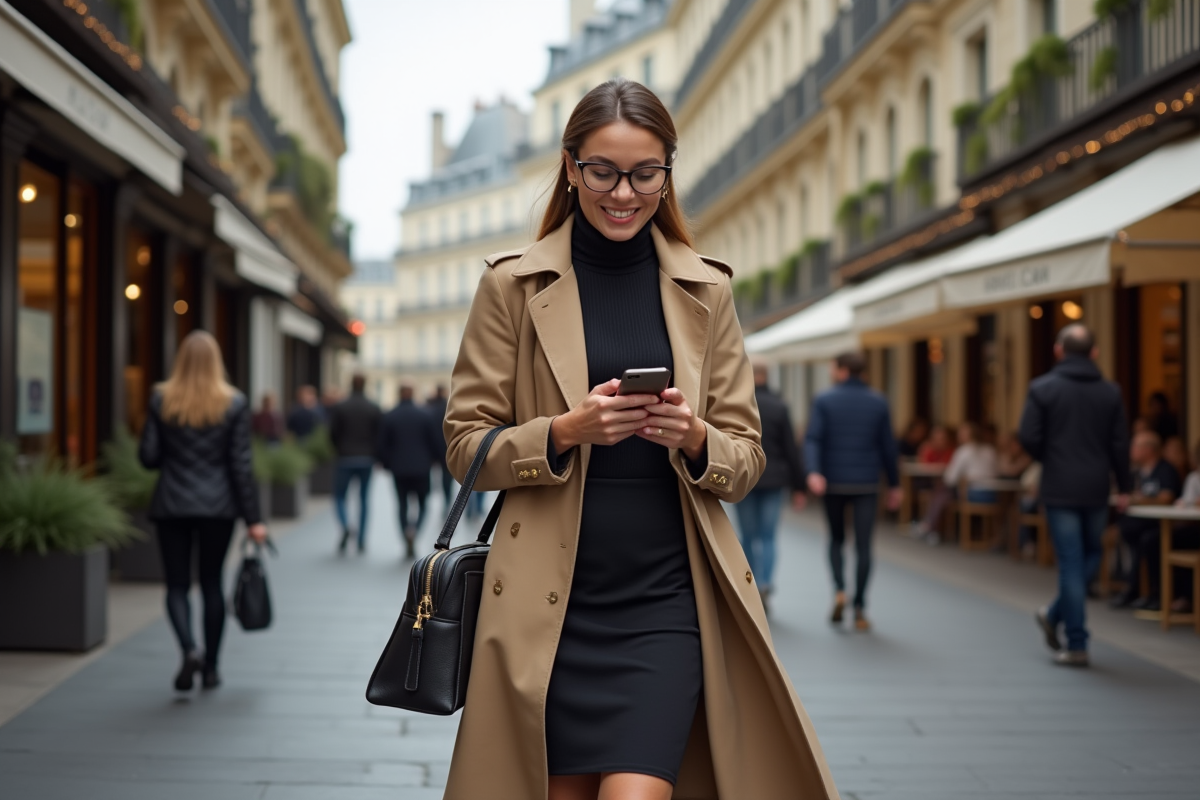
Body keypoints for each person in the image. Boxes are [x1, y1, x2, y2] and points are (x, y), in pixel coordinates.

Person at [440, 79, 838, 800]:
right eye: (603, 171)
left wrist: (695, 437)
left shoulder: (707, 289)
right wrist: (565, 432)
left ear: (667, 174)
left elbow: (747, 457)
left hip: (666, 600)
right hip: (546, 607)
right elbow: (467, 446)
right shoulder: (511, 287)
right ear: (570, 168)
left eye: (645, 173)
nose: (624, 193)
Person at [138, 331, 267, 691]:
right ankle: (211, 668)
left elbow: (148, 457)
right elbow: (240, 466)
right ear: (216, 362)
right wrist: (254, 519)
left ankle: (188, 649)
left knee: (177, 585)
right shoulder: (234, 403)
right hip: (218, 507)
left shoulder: (161, 399)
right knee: (211, 583)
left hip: (172, 504)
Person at [1019, 323, 1131, 667]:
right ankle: (1060, 622)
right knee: (1090, 554)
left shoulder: (1043, 388)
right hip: (1096, 486)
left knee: (1071, 561)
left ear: (1058, 350)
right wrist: (1125, 486)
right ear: (1095, 353)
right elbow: (1120, 445)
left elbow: (1028, 436)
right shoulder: (1110, 392)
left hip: (1059, 486)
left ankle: (1073, 637)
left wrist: (1051, 457)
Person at [804, 352, 902, 631]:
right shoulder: (878, 401)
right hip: (867, 483)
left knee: (836, 539)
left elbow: (813, 439)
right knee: (864, 545)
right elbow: (888, 446)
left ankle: (839, 590)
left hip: (833, 481)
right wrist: (894, 484)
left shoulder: (824, 400)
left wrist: (814, 471)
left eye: (833, 368)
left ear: (843, 370)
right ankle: (859, 607)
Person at [735, 361, 806, 614]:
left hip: (745, 478)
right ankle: (765, 583)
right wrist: (799, 486)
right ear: (767, 376)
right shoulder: (779, 406)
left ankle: (750, 585)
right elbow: (791, 448)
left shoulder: (739, 405)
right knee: (768, 536)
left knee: (747, 536)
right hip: (775, 478)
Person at [1111, 431, 1181, 610]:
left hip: (1166, 524)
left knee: (1149, 540)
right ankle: (1136, 588)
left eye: (1136, 446)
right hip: (1143, 523)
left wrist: (1139, 500)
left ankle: (1151, 592)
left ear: (1149, 449)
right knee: (1128, 531)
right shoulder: (1138, 472)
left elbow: (1167, 497)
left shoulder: (1165, 469)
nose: (1131, 450)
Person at [377, 385, 445, 558]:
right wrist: (436, 460)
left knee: (402, 505)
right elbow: (434, 441)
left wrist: (386, 463)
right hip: (422, 467)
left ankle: (405, 533)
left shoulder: (390, 415)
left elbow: (382, 443)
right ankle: (414, 530)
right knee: (423, 504)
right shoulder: (425, 415)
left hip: (399, 468)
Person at [913, 422, 999, 545]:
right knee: (943, 492)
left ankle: (929, 526)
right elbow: (996, 472)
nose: (959, 435)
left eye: (961, 433)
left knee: (941, 491)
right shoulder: (990, 450)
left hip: (972, 494)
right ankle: (930, 527)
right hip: (993, 494)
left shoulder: (963, 451)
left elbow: (950, 478)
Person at [328, 375, 382, 553]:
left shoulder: (341, 407)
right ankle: (361, 540)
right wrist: (377, 455)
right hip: (366, 458)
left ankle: (345, 525)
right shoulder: (373, 407)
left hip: (344, 457)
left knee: (339, 496)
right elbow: (379, 435)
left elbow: (333, 433)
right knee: (364, 499)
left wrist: (338, 448)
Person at [425, 385, 454, 507]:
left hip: (432, 448)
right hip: (446, 447)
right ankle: (447, 500)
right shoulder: (449, 408)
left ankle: (435, 498)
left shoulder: (429, 407)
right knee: (447, 478)